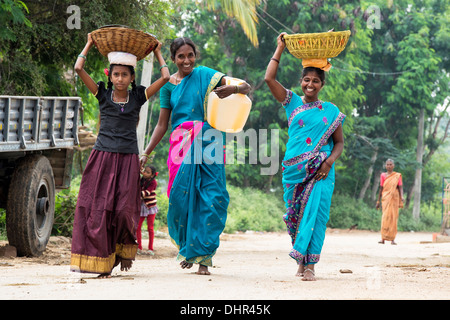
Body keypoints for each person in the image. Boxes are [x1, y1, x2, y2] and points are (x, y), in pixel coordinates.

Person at [140, 37, 250, 275]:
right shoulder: (168, 86)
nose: (186, 60)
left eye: (190, 55)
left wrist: (233, 88)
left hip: (209, 141)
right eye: (181, 56)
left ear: (195, 55)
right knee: (181, 201)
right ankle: (188, 248)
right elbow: (161, 124)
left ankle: (204, 259)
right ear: (173, 59)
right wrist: (146, 152)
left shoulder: (206, 75)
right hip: (181, 145)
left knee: (211, 199)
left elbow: (246, 87)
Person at [70, 33, 170, 278]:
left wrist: (157, 51)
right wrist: (90, 43)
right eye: (116, 74)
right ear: (110, 75)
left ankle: (120, 254)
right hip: (102, 158)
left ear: (132, 77)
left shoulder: (138, 97)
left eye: (125, 74)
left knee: (124, 210)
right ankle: (99, 259)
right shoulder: (102, 94)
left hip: (127, 160)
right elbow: (78, 68)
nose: (120, 78)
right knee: (98, 206)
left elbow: (166, 77)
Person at [265, 32, 345, 281]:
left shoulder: (330, 110)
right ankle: (300, 261)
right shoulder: (291, 102)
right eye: (306, 80)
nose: (310, 85)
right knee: (295, 214)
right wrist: (279, 47)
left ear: (322, 85)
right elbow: (268, 78)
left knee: (315, 215)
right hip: (293, 171)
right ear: (301, 81)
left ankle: (310, 266)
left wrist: (328, 162)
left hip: (321, 171)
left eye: (315, 81)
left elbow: (339, 143)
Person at [376, 159, 404, 245]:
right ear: (385, 166)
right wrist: (378, 201)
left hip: (394, 198)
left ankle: (392, 239)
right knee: (385, 218)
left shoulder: (397, 176)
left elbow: (400, 187)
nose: (389, 166)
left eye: (390, 164)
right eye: (387, 164)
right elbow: (381, 188)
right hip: (385, 198)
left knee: (393, 218)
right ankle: (383, 238)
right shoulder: (383, 175)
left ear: (393, 166)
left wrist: (402, 196)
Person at [137, 164, 158, 255]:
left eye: (148, 172)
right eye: (144, 171)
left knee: (150, 228)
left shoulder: (154, 183)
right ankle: (139, 247)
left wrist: (136, 193)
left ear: (152, 175)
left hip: (150, 207)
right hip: (142, 207)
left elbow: (146, 193)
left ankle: (150, 248)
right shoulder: (142, 180)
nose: (145, 173)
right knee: (138, 227)